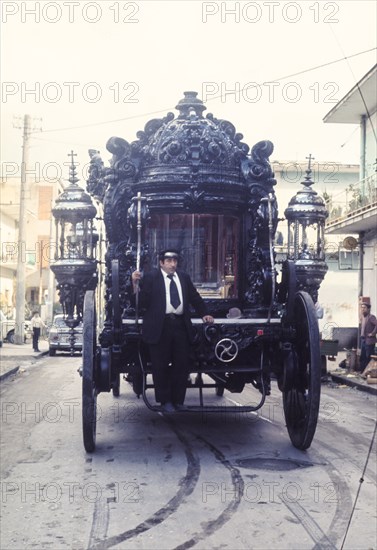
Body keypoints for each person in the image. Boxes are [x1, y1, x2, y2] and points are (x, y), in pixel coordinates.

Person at [132, 249, 214, 412]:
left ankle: (178, 400)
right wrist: (135, 284)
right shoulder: (151, 278)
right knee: (159, 365)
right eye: (169, 261)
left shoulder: (183, 278)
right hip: (159, 326)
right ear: (161, 263)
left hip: (180, 326)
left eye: (175, 261)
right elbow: (141, 302)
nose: (172, 264)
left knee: (182, 364)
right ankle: (165, 401)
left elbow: (194, 297)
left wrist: (205, 313)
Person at [359, 302, 377, 371]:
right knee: (363, 356)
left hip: (369, 341)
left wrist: (373, 333)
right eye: (362, 307)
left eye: (364, 308)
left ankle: (369, 372)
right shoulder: (363, 317)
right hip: (363, 340)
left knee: (368, 357)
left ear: (368, 309)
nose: (362, 309)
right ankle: (363, 372)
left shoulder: (371, 317)